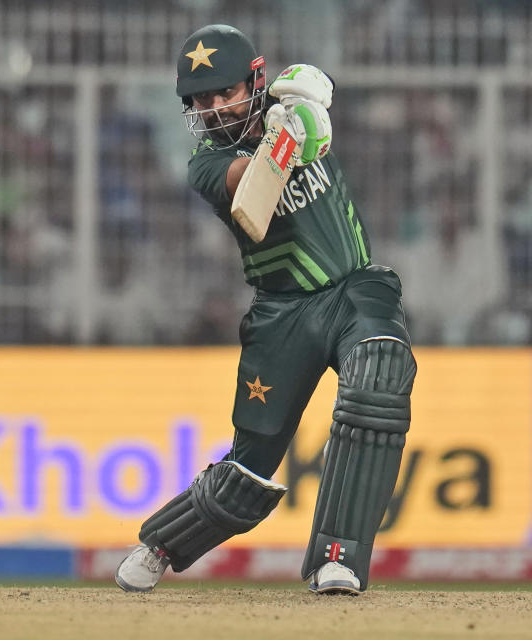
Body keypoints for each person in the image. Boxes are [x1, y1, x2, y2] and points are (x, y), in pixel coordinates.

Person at [114, 24, 416, 596]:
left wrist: (305, 115)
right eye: (200, 101)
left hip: (355, 288)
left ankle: (339, 558)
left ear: (253, 81)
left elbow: (316, 91)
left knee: (379, 374)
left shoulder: (289, 99)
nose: (212, 108)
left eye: (223, 93)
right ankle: (161, 544)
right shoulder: (206, 165)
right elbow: (253, 189)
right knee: (248, 472)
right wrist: (285, 141)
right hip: (282, 315)